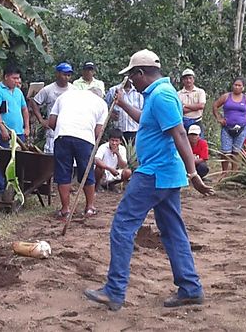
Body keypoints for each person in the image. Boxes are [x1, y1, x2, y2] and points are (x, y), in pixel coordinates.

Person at [84, 49, 214, 312]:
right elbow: (147, 121)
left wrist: (193, 173)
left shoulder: (163, 95)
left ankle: (115, 290)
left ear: (141, 73)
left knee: (122, 226)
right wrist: (122, 104)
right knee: (173, 231)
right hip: (164, 175)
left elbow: (179, 132)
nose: (131, 81)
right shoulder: (159, 95)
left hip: (155, 173)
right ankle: (190, 288)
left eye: (132, 75)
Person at [48, 88, 108, 219]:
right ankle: (90, 208)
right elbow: (98, 132)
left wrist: (63, 130)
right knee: (86, 172)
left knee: (63, 172)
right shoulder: (101, 103)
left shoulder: (65, 95)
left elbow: (51, 122)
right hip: (85, 138)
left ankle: (65, 210)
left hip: (62, 135)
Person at [0, 65, 30, 197]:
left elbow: (24, 109)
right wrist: (2, 128)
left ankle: (14, 189)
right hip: (4, 134)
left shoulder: (18, 92)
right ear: (6, 77)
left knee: (17, 161)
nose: (17, 81)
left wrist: (27, 127)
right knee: (1, 161)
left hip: (18, 133)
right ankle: (1, 189)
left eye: (18, 78)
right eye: (14, 78)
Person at [30, 62, 73, 153]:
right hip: (52, 130)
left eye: (69, 75)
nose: (66, 77)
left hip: (69, 129)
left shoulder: (74, 90)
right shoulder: (48, 89)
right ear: (57, 74)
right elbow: (34, 101)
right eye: (64, 74)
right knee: (51, 156)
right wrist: (41, 120)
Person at [212, 77, 246, 173]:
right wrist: (219, 118)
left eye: (239, 85)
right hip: (227, 128)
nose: (237, 87)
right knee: (225, 151)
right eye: (235, 85)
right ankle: (224, 172)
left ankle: (234, 172)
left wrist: (244, 120)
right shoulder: (226, 96)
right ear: (232, 85)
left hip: (242, 129)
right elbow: (215, 106)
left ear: (243, 87)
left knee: (237, 151)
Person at [177, 69, 207, 137]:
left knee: (198, 143)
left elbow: (201, 106)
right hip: (183, 123)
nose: (188, 80)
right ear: (183, 80)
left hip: (197, 121)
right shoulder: (178, 94)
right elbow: (179, 110)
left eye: (190, 78)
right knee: (183, 144)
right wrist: (195, 107)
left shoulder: (200, 92)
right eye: (186, 79)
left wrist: (185, 106)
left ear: (193, 79)